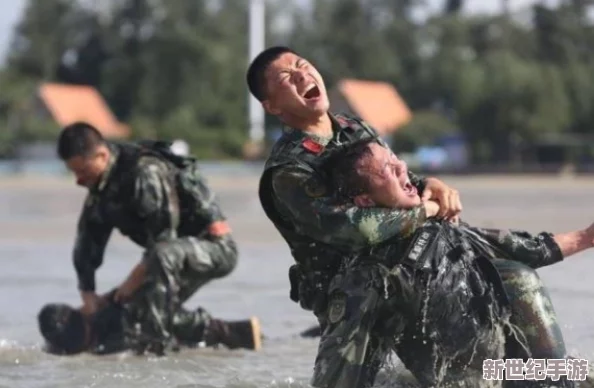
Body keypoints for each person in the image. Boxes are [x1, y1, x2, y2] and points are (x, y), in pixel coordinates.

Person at [313, 138, 592, 388]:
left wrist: (587, 237)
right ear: (364, 199)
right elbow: (337, 372)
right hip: (460, 382)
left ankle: (556, 380)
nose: (404, 171)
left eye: (397, 161)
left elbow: (525, 248)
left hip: (507, 373)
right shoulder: (370, 275)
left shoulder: (439, 228)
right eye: (388, 170)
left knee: (576, 368)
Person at [246, 46, 461, 333]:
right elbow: (357, 230)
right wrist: (430, 209)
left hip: (409, 262)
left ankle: (534, 375)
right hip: (352, 293)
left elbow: (399, 177)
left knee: (510, 281)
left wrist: (430, 184)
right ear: (272, 106)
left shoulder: (354, 127)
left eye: (302, 64)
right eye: (286, 76)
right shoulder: (289, 169)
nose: (301, 74)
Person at [56, 122, 257, 354]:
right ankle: (229, 333)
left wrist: (130, 283)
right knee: (127, 312)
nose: (78, 180)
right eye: (74, 172)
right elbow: (87, 243)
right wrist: (88, 295)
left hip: (211, 248)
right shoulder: (101, 189)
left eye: (82, 171)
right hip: (167, 258)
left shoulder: (144, 171)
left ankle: (157, 347)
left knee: (147, 300)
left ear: (101, 155)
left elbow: (164, 241)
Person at [37, 288, 262, 355]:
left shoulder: (114, 317)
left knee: (211, 332)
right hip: (162, 320)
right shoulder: (99, 312)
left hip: (170, 325)